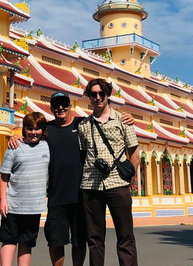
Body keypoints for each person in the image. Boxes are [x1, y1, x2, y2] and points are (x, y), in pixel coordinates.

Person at [9, 92, 134, 266]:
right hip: (56, 196)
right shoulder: (47, 130)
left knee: (79, 240)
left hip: (81, 194)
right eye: (56, 105)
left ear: (70, 106)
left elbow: (103, 116)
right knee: (55, 240)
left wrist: (125, 116)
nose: (60, 108)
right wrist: (15, 136)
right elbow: (31, 135)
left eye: (64, 104)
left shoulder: (82, 124)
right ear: (51, 108)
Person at [78, 78, 140, 266]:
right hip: (91, 185)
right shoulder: (83, 126)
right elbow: (82, 157)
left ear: (108, 95)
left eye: (101, 93)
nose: (97, 97)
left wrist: (128, 179)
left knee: (125, 235)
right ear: (89, 97)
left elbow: (135, 155)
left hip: (118, 184)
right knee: (95, 239)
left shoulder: (123, 121)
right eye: (93, 94)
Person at [0, 112, 50, 266]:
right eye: (30, 129)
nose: (34, 132)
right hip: (13, 205)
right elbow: (3, 175)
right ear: (24, 130)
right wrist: (3, 200)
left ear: (42, 130)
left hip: (34, 206)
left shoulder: (47, 146)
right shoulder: (15, 147)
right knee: (9, 240)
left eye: (37, 129)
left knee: (27, 242)